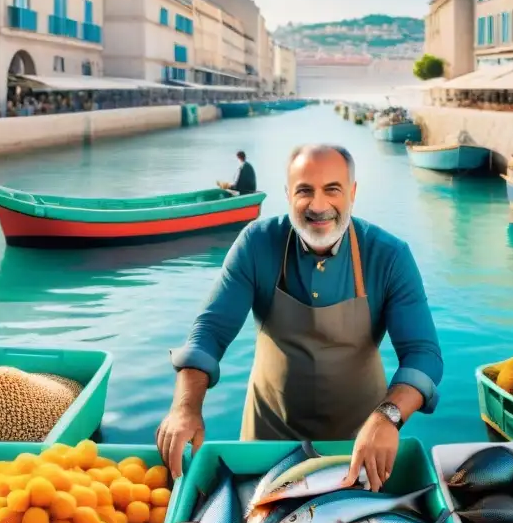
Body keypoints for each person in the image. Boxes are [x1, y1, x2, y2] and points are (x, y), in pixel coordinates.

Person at [158, 144, 443, 490]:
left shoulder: (390, 255)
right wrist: (185, 406)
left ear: (352, 192)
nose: (319, 206)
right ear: (287, 194)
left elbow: (422, 354)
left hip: (359, 444)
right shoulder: (256, 244)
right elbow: (211, 330)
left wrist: (388, 417)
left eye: (332, 190)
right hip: (267, 440)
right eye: (304, 191)